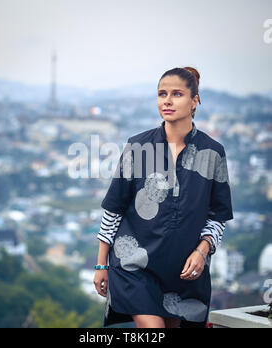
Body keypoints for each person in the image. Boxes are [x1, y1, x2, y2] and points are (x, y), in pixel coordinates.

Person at [93, 67, 234, 328]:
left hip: (183, 271)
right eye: (162, 94)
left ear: (195, 100)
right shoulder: (138, 147)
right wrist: (101, 265)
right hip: (135, 265)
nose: (167, 101)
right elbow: (114, 209)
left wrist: (202, 252)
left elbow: (218, 217)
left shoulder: (213, 152)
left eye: (177, 94)